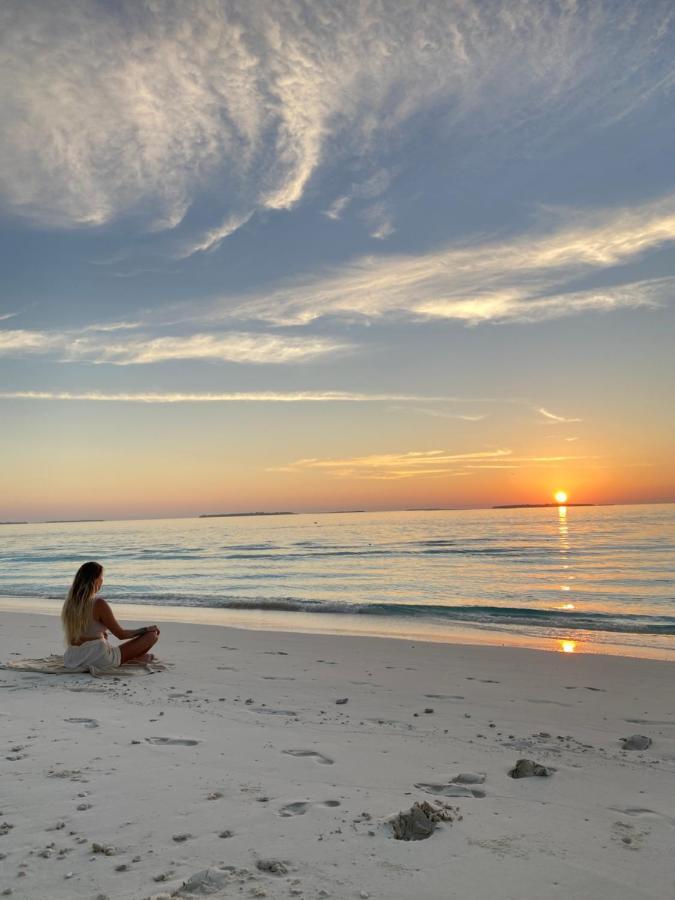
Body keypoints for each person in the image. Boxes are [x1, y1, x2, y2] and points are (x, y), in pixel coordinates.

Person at [61, 561, 160, 670]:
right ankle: (132, 659)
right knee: (152, 635)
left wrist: (101, 635)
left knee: (108, 642)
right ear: (95, 580)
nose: (102, 580)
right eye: (101, 577)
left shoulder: (69, 603)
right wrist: (146, 629)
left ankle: (134, 658)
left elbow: (85, 632)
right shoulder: (98, 603)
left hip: (72, 658)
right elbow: (121, 634)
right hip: (97, 657)